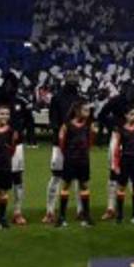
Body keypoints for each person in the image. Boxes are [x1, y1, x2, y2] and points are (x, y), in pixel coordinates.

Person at [0, 72, 32, 227]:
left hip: (16, 146)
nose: (10, 86)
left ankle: (17, 212)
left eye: (13, 83)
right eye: (7, 83)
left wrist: (23, 135)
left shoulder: (20, 101)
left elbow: (29, 120)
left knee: (16, 179)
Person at [98, 85, 134, 221]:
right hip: (118, 137)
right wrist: (112, 126)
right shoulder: (116, 101)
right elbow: (102, 115)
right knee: (114, 172)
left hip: (133, 137)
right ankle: (111, 208)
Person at [44, 72, 82, 225]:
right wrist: (62, 133)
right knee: (57, 176)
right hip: (61, 144)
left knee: (77, 178)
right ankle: (50, 211)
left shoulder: (79, 99)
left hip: (76, 144)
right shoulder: (58, 98)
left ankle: (80, 210)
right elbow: (53, 121)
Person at [57, 102, 95, 227]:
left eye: (88, 111)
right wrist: (69, 155)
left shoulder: (89, 126)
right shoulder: (66, 126)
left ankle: (86, 215)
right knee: (66, 185)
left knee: (84, 185)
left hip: (83, 160)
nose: (88, 113)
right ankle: (62, 217)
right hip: (70, 160)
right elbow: (62, 144)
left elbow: (90, 143)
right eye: (85, 110)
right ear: (77, 111)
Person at [110, 106, 134, 223]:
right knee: (122, 187)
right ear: (126, 116)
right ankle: (120, 214)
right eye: (132, 114)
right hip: (125, 161)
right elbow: (116, 150)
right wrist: (115, 165)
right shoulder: (121, 130)